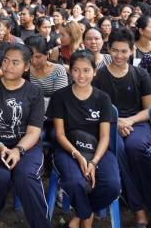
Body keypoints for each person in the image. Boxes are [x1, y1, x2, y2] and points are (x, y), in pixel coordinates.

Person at [0, 44, 50, 228]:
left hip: (26, 147)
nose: (8, 66)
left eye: (15, 62)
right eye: (6, 61)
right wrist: (0, 147)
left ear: (26, 66)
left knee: (26, 176)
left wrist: (17, 150)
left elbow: (33, 132)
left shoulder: (34, 92)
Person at [47, 50, 120, 228]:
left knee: (112, 186)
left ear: (94, 72)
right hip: (68, 149)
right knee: (74, 183)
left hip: (97, 150)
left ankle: (81, 215)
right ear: (70, 71)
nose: (81, 75)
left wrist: (94, 162)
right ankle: (86, 219)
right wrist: (77, 155)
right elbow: (60, 134)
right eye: (76, 70)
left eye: (86, 70)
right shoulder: (60, 97)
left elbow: (105, 136)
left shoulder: (103, 98)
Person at [93, 28, 151, 227]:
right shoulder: (99, 76)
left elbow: (148, 110)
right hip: (108, 125)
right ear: (108, 49)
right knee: (119, 151)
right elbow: (97, 110)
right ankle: (138, 209)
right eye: (115, 50)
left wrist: (130, 120)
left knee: (136, 148)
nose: (119, 55)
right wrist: (116, 123)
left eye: (124, 51)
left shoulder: (140, 74)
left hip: (137, 123)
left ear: (132, 50)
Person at [24, 35, 68, 112]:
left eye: (38, 57)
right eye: (30, 57)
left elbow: (59, 99)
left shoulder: (58, 70)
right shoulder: (25, 70)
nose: (33, 61)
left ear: (47, 54)